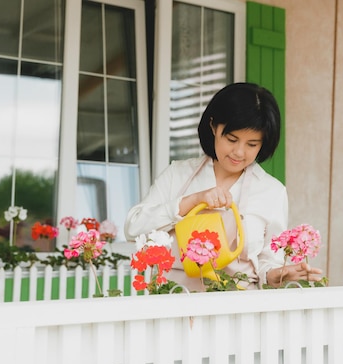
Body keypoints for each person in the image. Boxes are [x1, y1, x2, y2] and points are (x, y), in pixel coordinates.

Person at [124, 82, 323, 291]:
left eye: (252, 144)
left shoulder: (272, 192)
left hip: (238, 311)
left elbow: (268, 261)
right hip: (176, 302)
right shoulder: (178, 174)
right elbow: (133, 227)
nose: (239, 152)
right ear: (213, 126)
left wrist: (275, 274)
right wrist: (192, 201)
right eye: (232, 139)